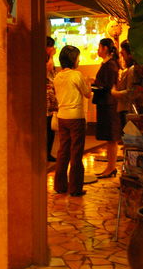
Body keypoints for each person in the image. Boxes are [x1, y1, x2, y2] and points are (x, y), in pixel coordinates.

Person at [53, 45, 92, 196]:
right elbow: (87, 94)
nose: (79, 60)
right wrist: (88, 82)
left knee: (63, 151)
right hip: (76, 117)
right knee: (76, 152)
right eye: (78, 57)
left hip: (62, 117)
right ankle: (75, 188)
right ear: (73, 59)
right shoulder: (77, 75)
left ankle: (60, 185)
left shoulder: (57, 77)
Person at [93, 38, 121, 178]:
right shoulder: (108, 63)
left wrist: (93, 84)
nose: (98, 50)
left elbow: (106, 86)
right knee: (110, 139)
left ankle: (111, 168)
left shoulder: (110, 65)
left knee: (111, 138)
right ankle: (110, 167)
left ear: (104, 48)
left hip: (108, 104)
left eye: (99, 47)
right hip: (106, 103)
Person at [111, 40, 136, 135]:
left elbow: (129, 92)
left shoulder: (132, 70)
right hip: (124, 108)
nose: (121, 54)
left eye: (123, 52)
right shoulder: (128, 69)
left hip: (127, 108)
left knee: (130, 137)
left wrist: (114, 92)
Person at [45, 36, 58, 162]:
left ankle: (48, 152)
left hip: (51, 97)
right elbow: (48, 69)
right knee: (47, 126)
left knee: (50, 126)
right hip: (46, 98)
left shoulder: (49, 59)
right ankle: (45, 153)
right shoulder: (45, 59)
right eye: (51, 46)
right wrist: (51, 56)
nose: (53, 49)